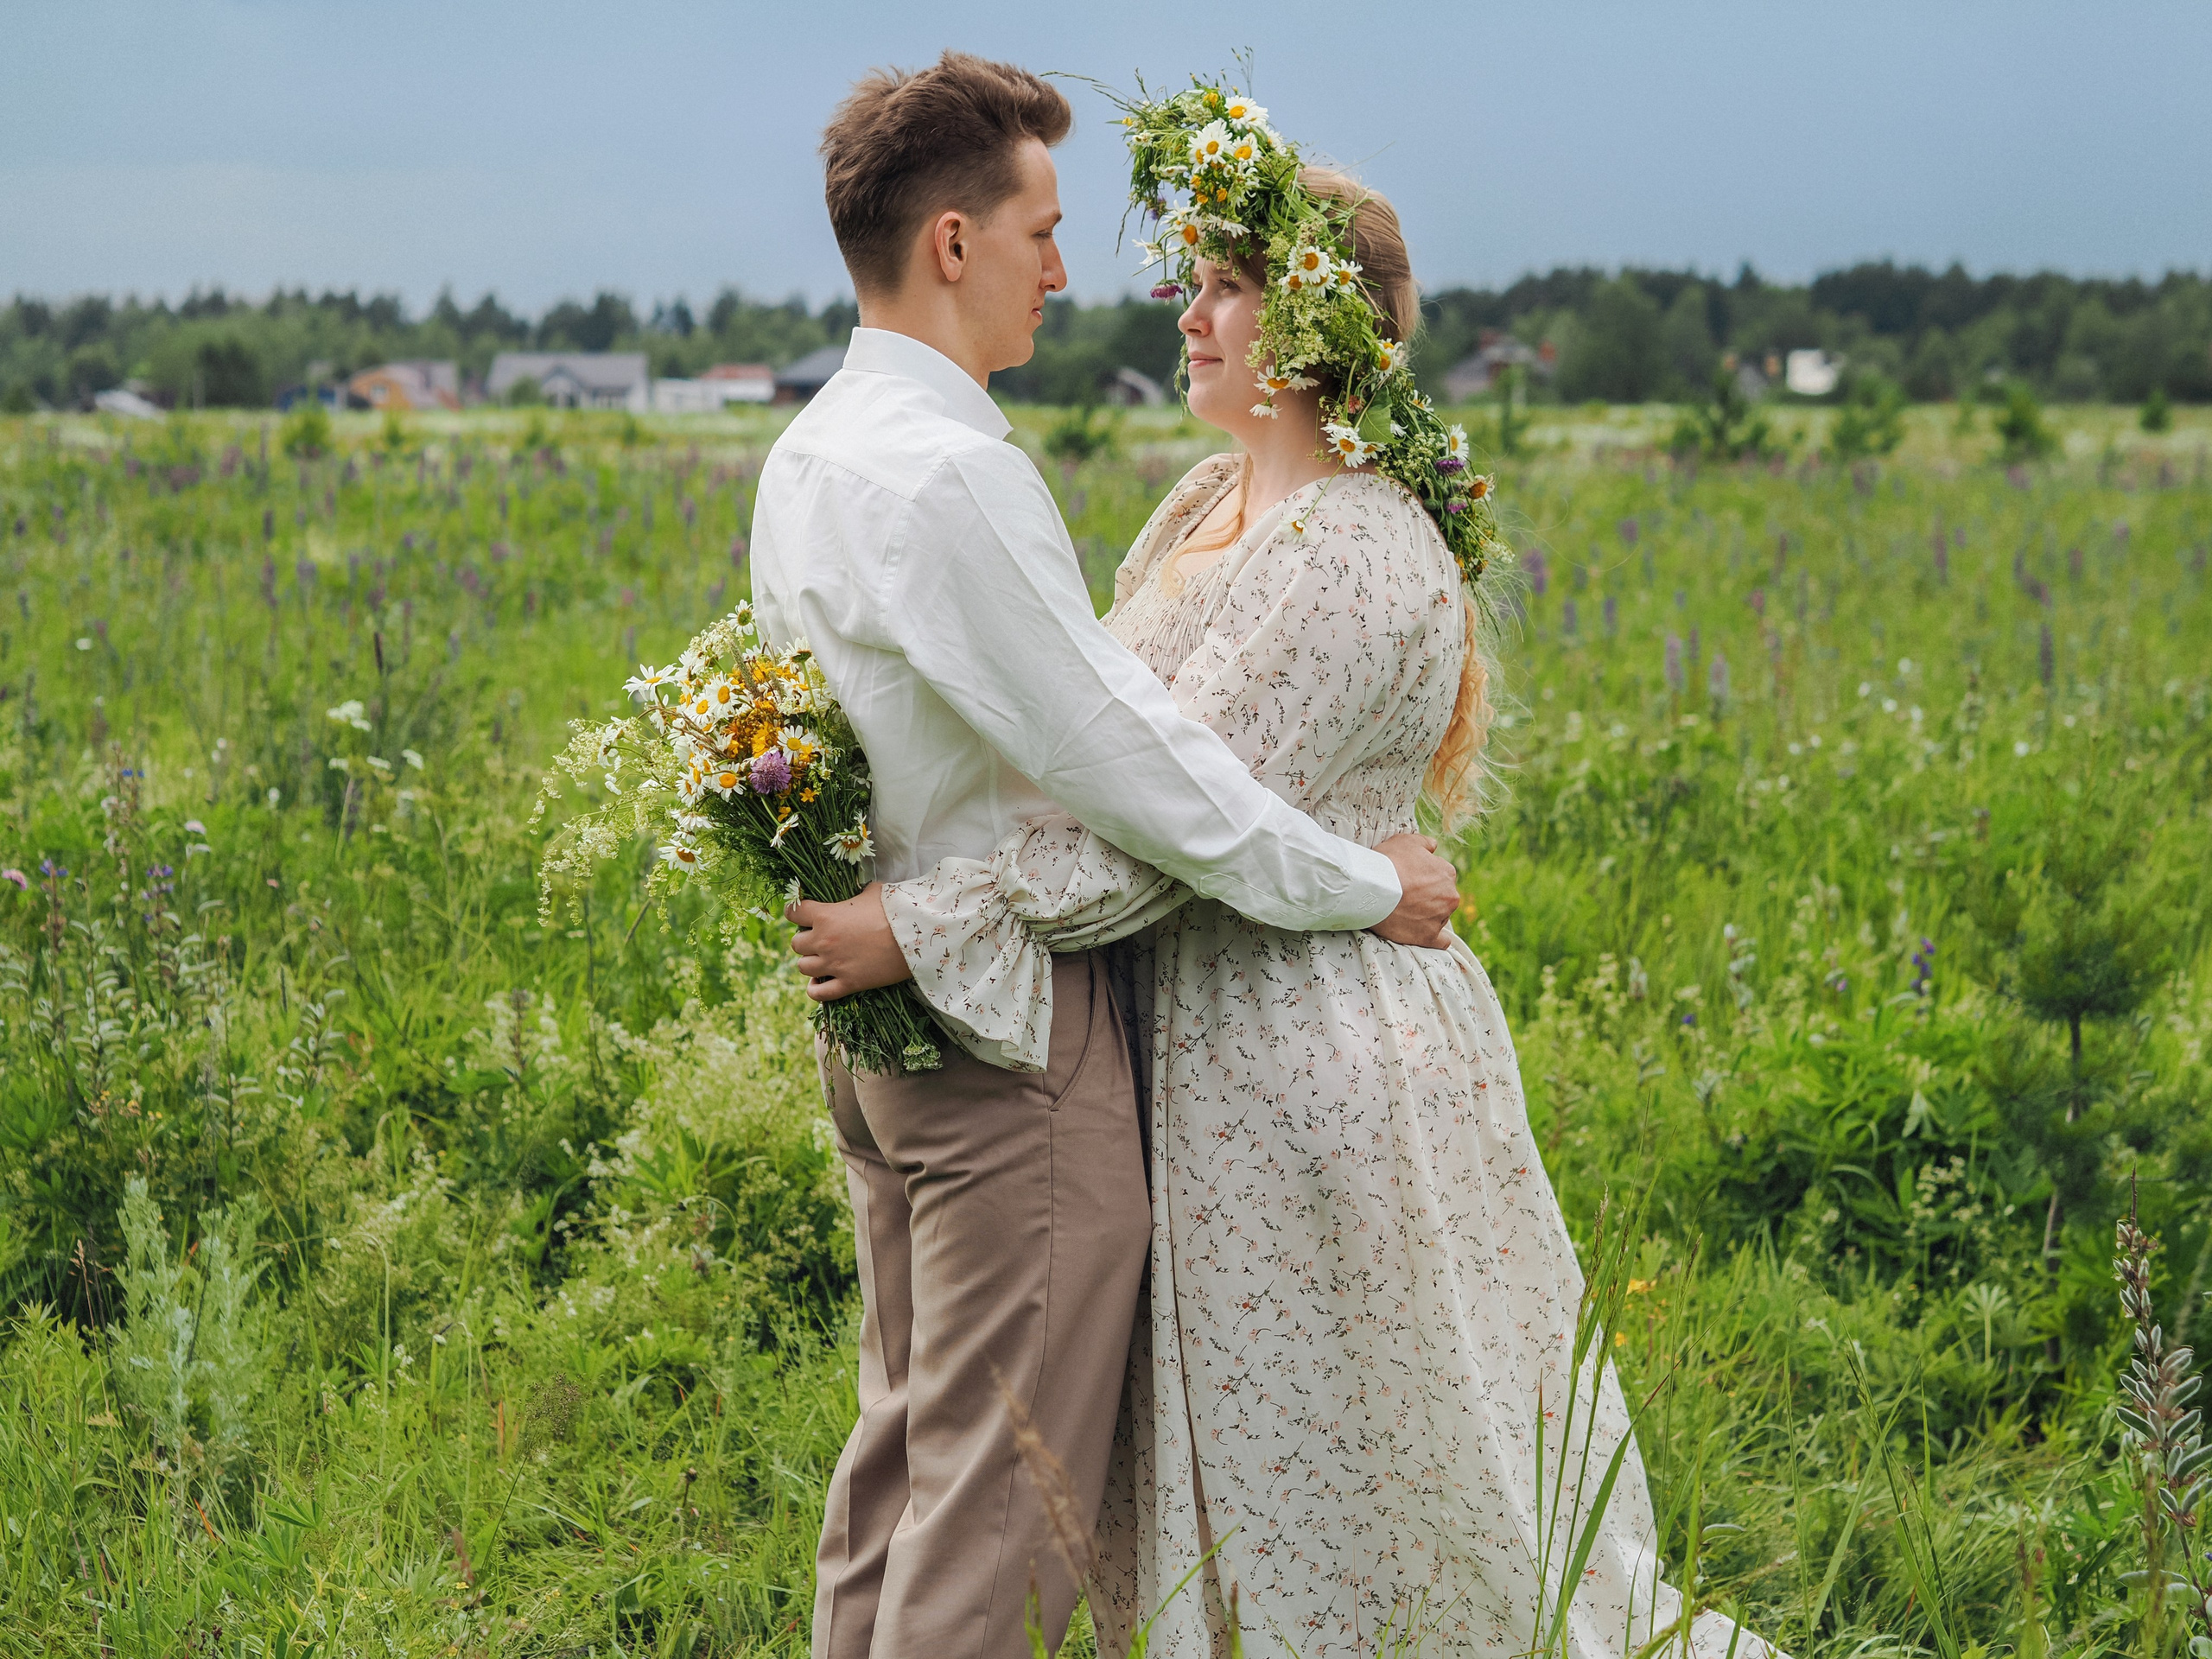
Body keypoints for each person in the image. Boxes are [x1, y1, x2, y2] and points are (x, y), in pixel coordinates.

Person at [797, 82, 1783, 1659]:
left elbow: (1160, 827)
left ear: (1314, 322)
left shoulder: (1356, 552)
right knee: (1206, 1485)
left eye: (1226, 285)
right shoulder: (1206, 504)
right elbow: (1121, 770)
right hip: (1194, 1044)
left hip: (1299, 1065)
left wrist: (928, 921)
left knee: (1364, 1492)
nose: (1184, 313)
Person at [749, 54, 1465, 1659]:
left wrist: (893, 931)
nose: (1072, 274)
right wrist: (1369, 882)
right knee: (1001, 1515)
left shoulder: (808, 456)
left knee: (902, 1464)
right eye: (1044, 231)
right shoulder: (954, 474)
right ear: (952, 243)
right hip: (1000, 1033)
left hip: (883, 1039)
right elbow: (1146, 783)